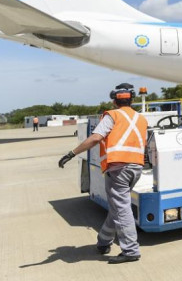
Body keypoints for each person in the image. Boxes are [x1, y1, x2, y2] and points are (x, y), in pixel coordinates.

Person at [57, 83, 147, 264]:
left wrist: (71, 153)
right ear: (133, 100)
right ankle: (103, 242)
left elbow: (96, 137)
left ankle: (130, 250)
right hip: (136, 167)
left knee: (121, 208)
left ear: (114, 101)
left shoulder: (112, 116)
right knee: (117, 207)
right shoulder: (141, 118)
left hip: (118, 168)